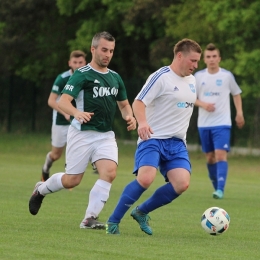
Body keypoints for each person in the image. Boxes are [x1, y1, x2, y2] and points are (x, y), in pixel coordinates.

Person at [29, 31, 136, 229]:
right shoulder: (82, 75)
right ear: (93, 49)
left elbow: (124, 105)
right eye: (104, 50)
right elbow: (63, 101)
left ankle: (89, 219)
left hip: (105, 135)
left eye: (111, 51)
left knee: (109, 173)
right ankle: (41, 189)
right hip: (81, 134)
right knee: (72, 181)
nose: (108, 54)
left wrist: (129, 116)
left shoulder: (115, 78)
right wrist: (77, 113)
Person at [106, 38, 202, 235]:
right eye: (193, 60)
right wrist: (142, 122)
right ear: (180, 56)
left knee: (182, 183)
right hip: (153, 138)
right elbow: (139, 102)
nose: (196, 65)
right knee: (146, 179)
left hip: (177, 143)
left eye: (197, 61)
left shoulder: (192, 81)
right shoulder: (161, 77)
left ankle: (142, 212)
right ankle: (113, 222)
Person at [194, 43, 245, 199]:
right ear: (204, 59)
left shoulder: (226, 76)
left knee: (221, 155)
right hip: (204, 123)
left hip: (222, 123)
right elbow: (190, 97)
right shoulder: (198, 77)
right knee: (210, 157)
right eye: (208, 57)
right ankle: (216, 186)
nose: (212, 59)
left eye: (214, 56)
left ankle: (220, 190)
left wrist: (239, 113)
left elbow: (236, 94)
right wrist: (203, 104)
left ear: (219, 58)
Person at [41, 50, 87, 181]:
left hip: (78, 121)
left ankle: (70, 177)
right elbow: (51, 100)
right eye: (75, 62)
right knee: (56, 155)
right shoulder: (62, 79)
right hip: (61, 121)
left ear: (85, 63)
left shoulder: (88, 77)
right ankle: (46, 168)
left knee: (78, 149)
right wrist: (66, 112)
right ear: (69, 63)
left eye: (80, 62)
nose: (78, 65)